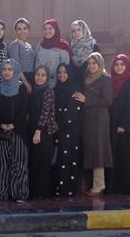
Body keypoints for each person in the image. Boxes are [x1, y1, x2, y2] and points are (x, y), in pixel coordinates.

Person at [0, 60, 30, 202]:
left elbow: (24, 109)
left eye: (10, 69)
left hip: (18, 131)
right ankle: (2, 193)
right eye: (4, 69)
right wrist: (1, 124)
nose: (6, 72)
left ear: (15, 71)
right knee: (2, 163)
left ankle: (19, 193)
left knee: (18, 163)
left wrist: (14, 124)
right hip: (1, 132)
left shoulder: (22, 88)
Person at [79, 52, 112, 196]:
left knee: (98, 149)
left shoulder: (105, 79)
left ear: (100, 64)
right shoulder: (86, 77)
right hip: (87, 118)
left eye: (94, 63)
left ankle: (99, 185)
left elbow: (107, 100)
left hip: (99, 119)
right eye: (89, 63)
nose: (92, 66)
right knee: (91, 149)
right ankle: (93, 184)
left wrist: (86, 100)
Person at [108, 54, 130, 195]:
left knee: (126, 157)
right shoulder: (111, 81)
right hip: (113, 124)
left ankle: (128, 189)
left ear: (127, 66)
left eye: (122, 64)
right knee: (115, 156)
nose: (119, 67)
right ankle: (116, 188)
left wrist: (123, 124)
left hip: (125, 126)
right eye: (116, 64)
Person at [28, 65, 59, 199]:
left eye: (43, 75)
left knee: (43, 161)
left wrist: (38, 131)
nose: (40, 78)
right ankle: (34, 191)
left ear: (47, 77)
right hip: (32, 129)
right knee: (34, 161)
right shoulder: (34, 91)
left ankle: (42, 192)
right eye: (37, 75)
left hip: (44, 131)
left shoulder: (48, 91)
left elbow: (45, 112)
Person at [53, 64, 83, 197]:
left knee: (70, 160)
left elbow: (72, 112)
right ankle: (58, 189)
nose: (62, 75)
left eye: (65, 72)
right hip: (58, 131)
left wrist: (59, 124)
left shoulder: (75, 90)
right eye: (59, 72)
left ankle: (69, 190)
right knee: (59, 160)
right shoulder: (56, 89)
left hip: (71, 131)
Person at [36, 19, 72, 89]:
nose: (47, 31)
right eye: (45, 29)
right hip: (39, 84)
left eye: (50, 28)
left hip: (56, 86)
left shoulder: (63, 46)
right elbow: (35, 63)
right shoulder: (40, 45)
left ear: (55, 29)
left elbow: (66, 68)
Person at [68, 20, 99, 88]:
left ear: (84, 30)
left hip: (91, 87)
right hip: (75, 87)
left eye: (79, 30)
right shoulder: (71, 49)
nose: (76, 32)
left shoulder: (94, 47)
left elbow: (99, 69)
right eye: (73, 31)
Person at [7, 18, 36, 85]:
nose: (22, 31)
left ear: (28, 29)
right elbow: (15, 67)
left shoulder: (29, 45)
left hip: (32, 77)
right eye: (19, 29)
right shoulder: (14, 45)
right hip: (22, 79)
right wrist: (26, 83)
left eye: (24, 28)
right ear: (16, 31)